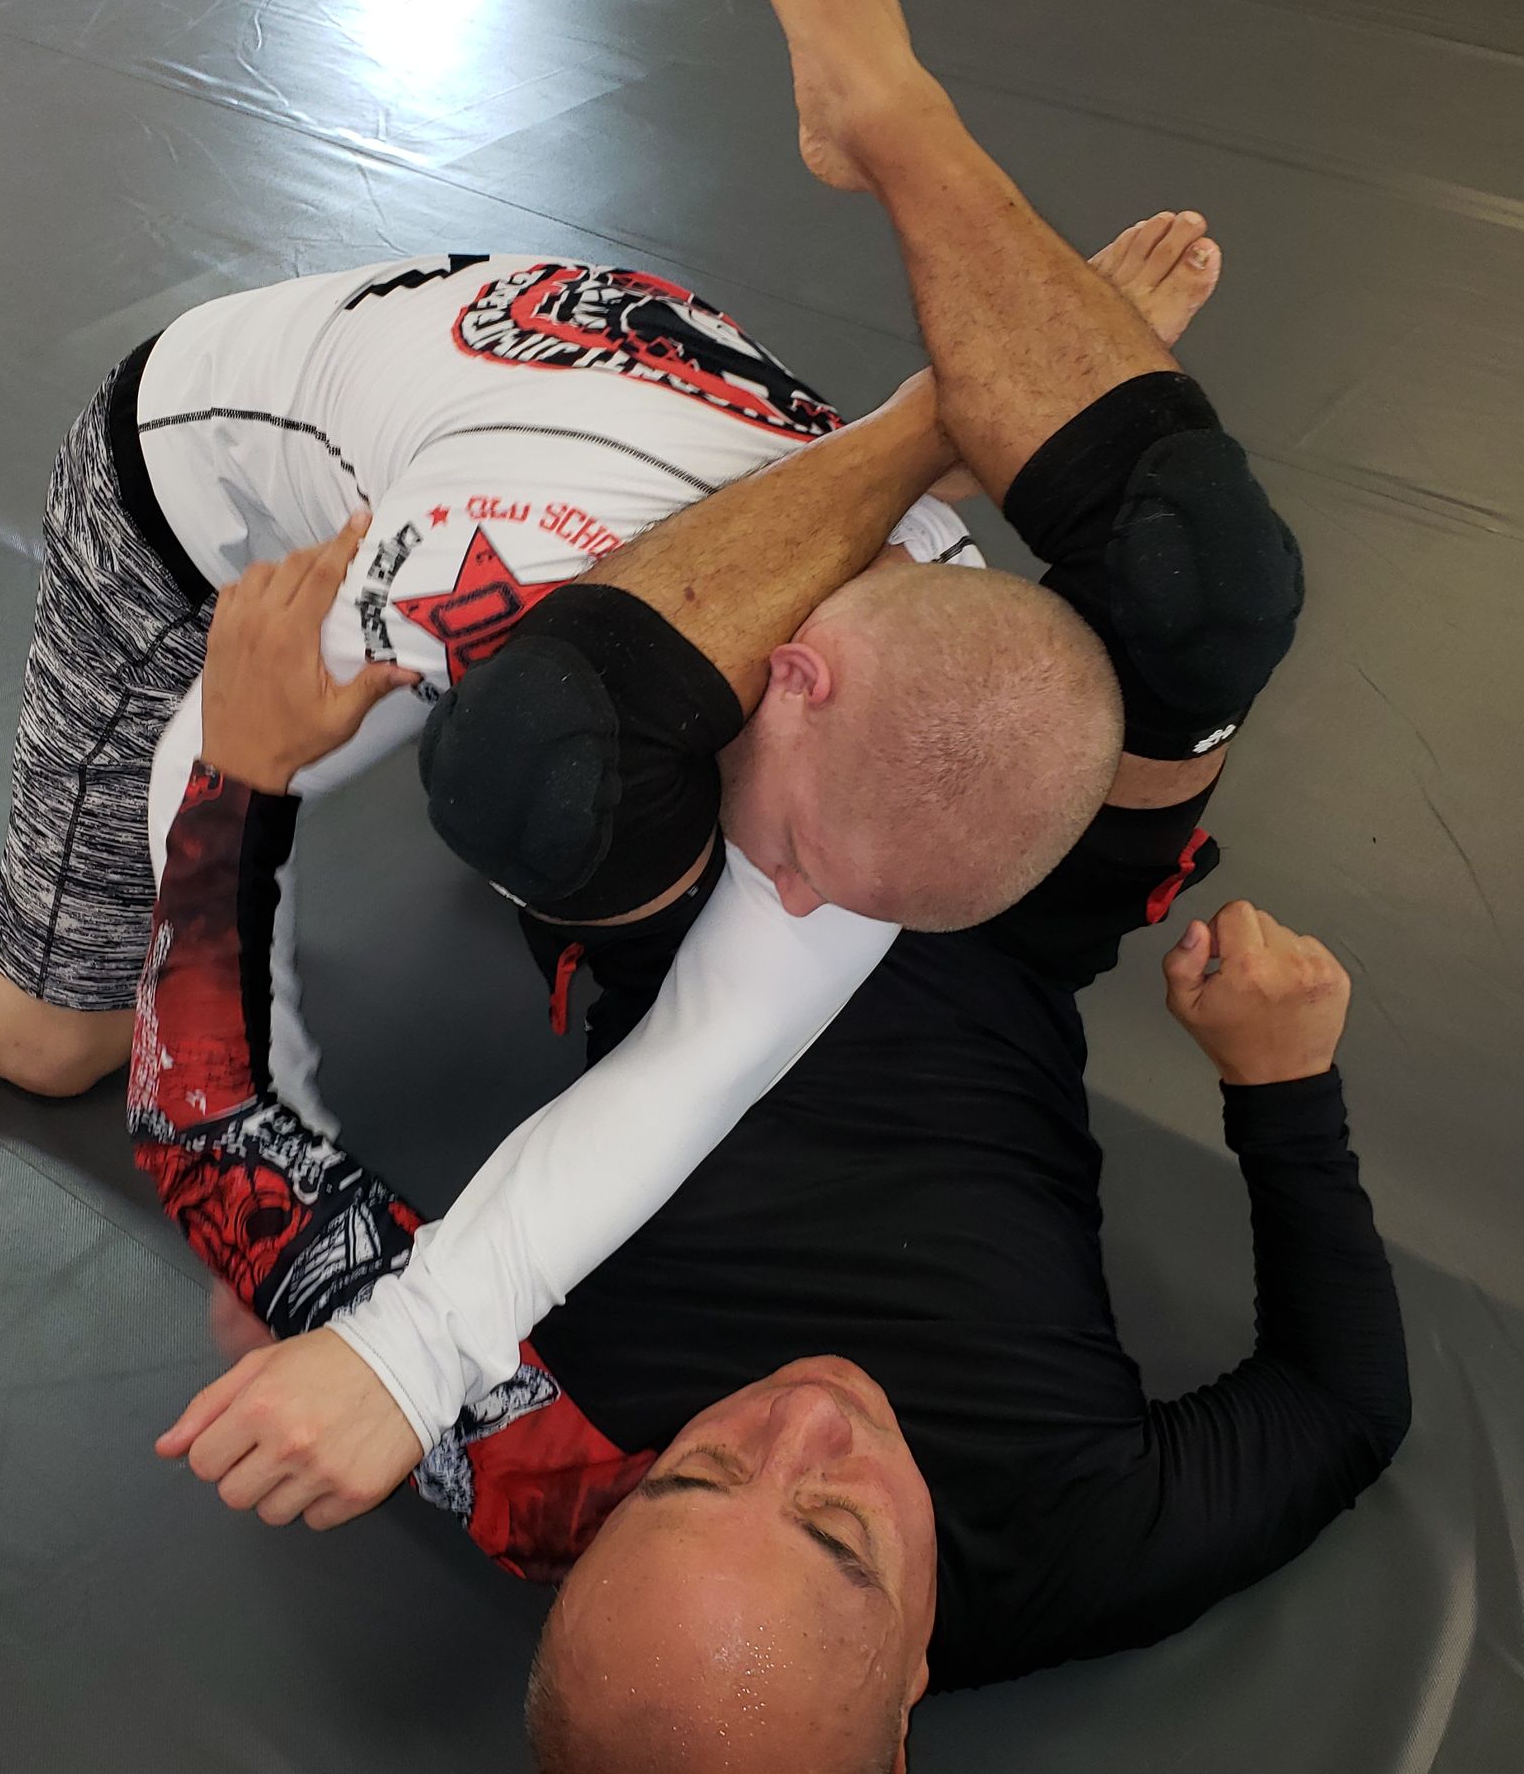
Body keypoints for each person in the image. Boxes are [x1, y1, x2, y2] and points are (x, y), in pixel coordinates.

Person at [135, 463, 1408, 1774]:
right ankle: (925, 450)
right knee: (1213, 577)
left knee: (523, 762)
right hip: (1011, 917)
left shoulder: (537, 1461)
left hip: (713, 883)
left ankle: (881, 461)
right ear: (908, 1695)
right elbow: (1345, 1406)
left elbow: (201, 1133)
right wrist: (1283, 1084)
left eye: (693, 1475)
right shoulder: (1075, 1551)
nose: (806, 1415)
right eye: (841, 1532)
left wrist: (239, 770)